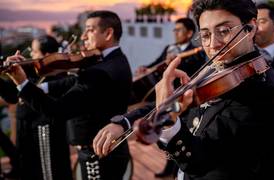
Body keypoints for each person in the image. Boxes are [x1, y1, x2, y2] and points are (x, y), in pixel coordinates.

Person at [93, 0, 274, 179]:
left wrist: (167, 119)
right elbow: (175, 99)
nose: (212, 45)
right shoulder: (216, 67)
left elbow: (202, 161)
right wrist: (124, 122)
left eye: (224, 30)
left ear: (251, 28)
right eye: (205, 34)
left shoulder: (265, 91)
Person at [5, 10, 132, 180]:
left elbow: (56, 111)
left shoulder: (98, 73)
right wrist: (37, 81)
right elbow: (72, 82)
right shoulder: (116, 60)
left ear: (108, 33)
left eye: (90, 30)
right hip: (111, 150)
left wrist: (22, 83)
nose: (83, 36)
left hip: (97, 154)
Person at [0, 35, 73, 180]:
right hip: (26, 134)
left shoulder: (59, 77)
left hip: (45, 136)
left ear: (46, 56)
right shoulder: (30, 72)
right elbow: (12, 96)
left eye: (34, 52)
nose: (31, 56)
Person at [132, 17, 206, 103]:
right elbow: (157, 62)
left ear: (189, 33)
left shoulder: (196, 53)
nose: (175, 33)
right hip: (155, 86)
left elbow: (192, 74)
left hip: (174, 93)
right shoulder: (169, 48)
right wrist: (146, 68)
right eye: (175, 30)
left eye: (179, 30)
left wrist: (175, 64)